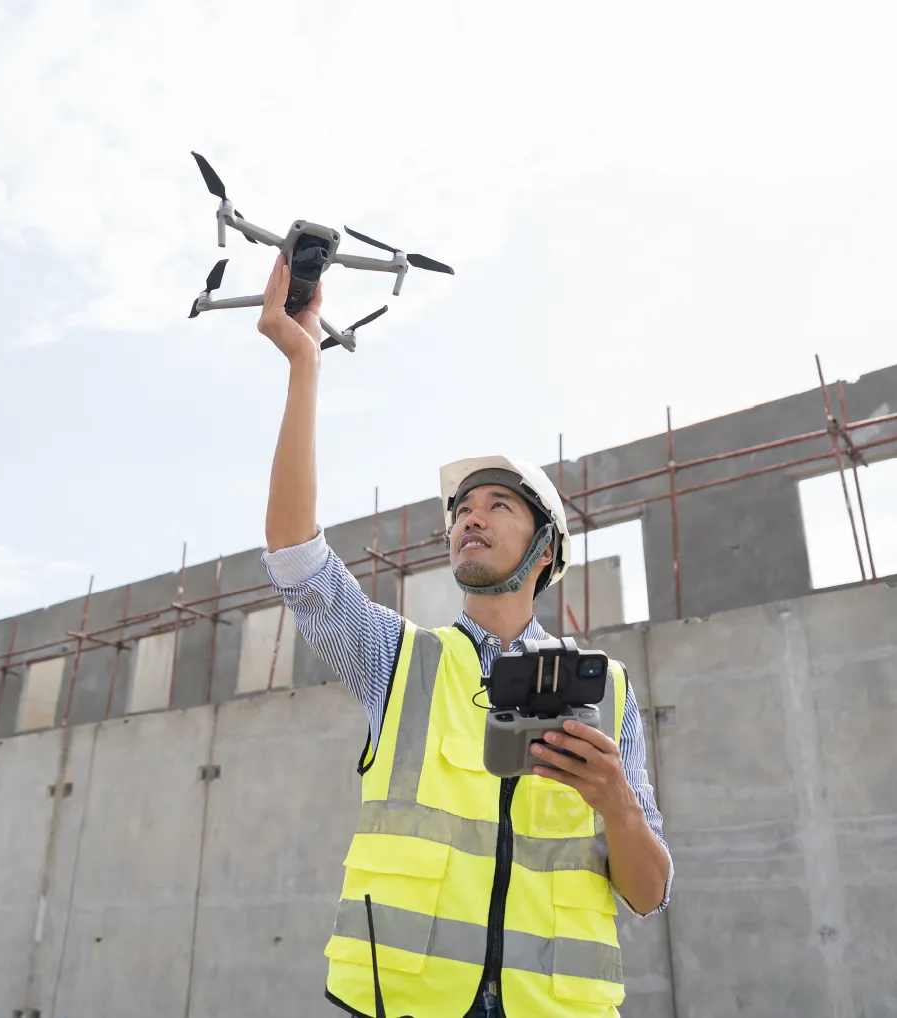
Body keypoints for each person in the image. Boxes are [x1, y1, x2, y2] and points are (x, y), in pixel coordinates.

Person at [255, 255, 672, 1018]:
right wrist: (305, 365)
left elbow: (648, 894)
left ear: (545, 550)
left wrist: (618, 804)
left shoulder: (607, 693)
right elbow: (296, 558)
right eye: (462, 510)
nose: (470, 517)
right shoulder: (398, 659)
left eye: (497, 506)